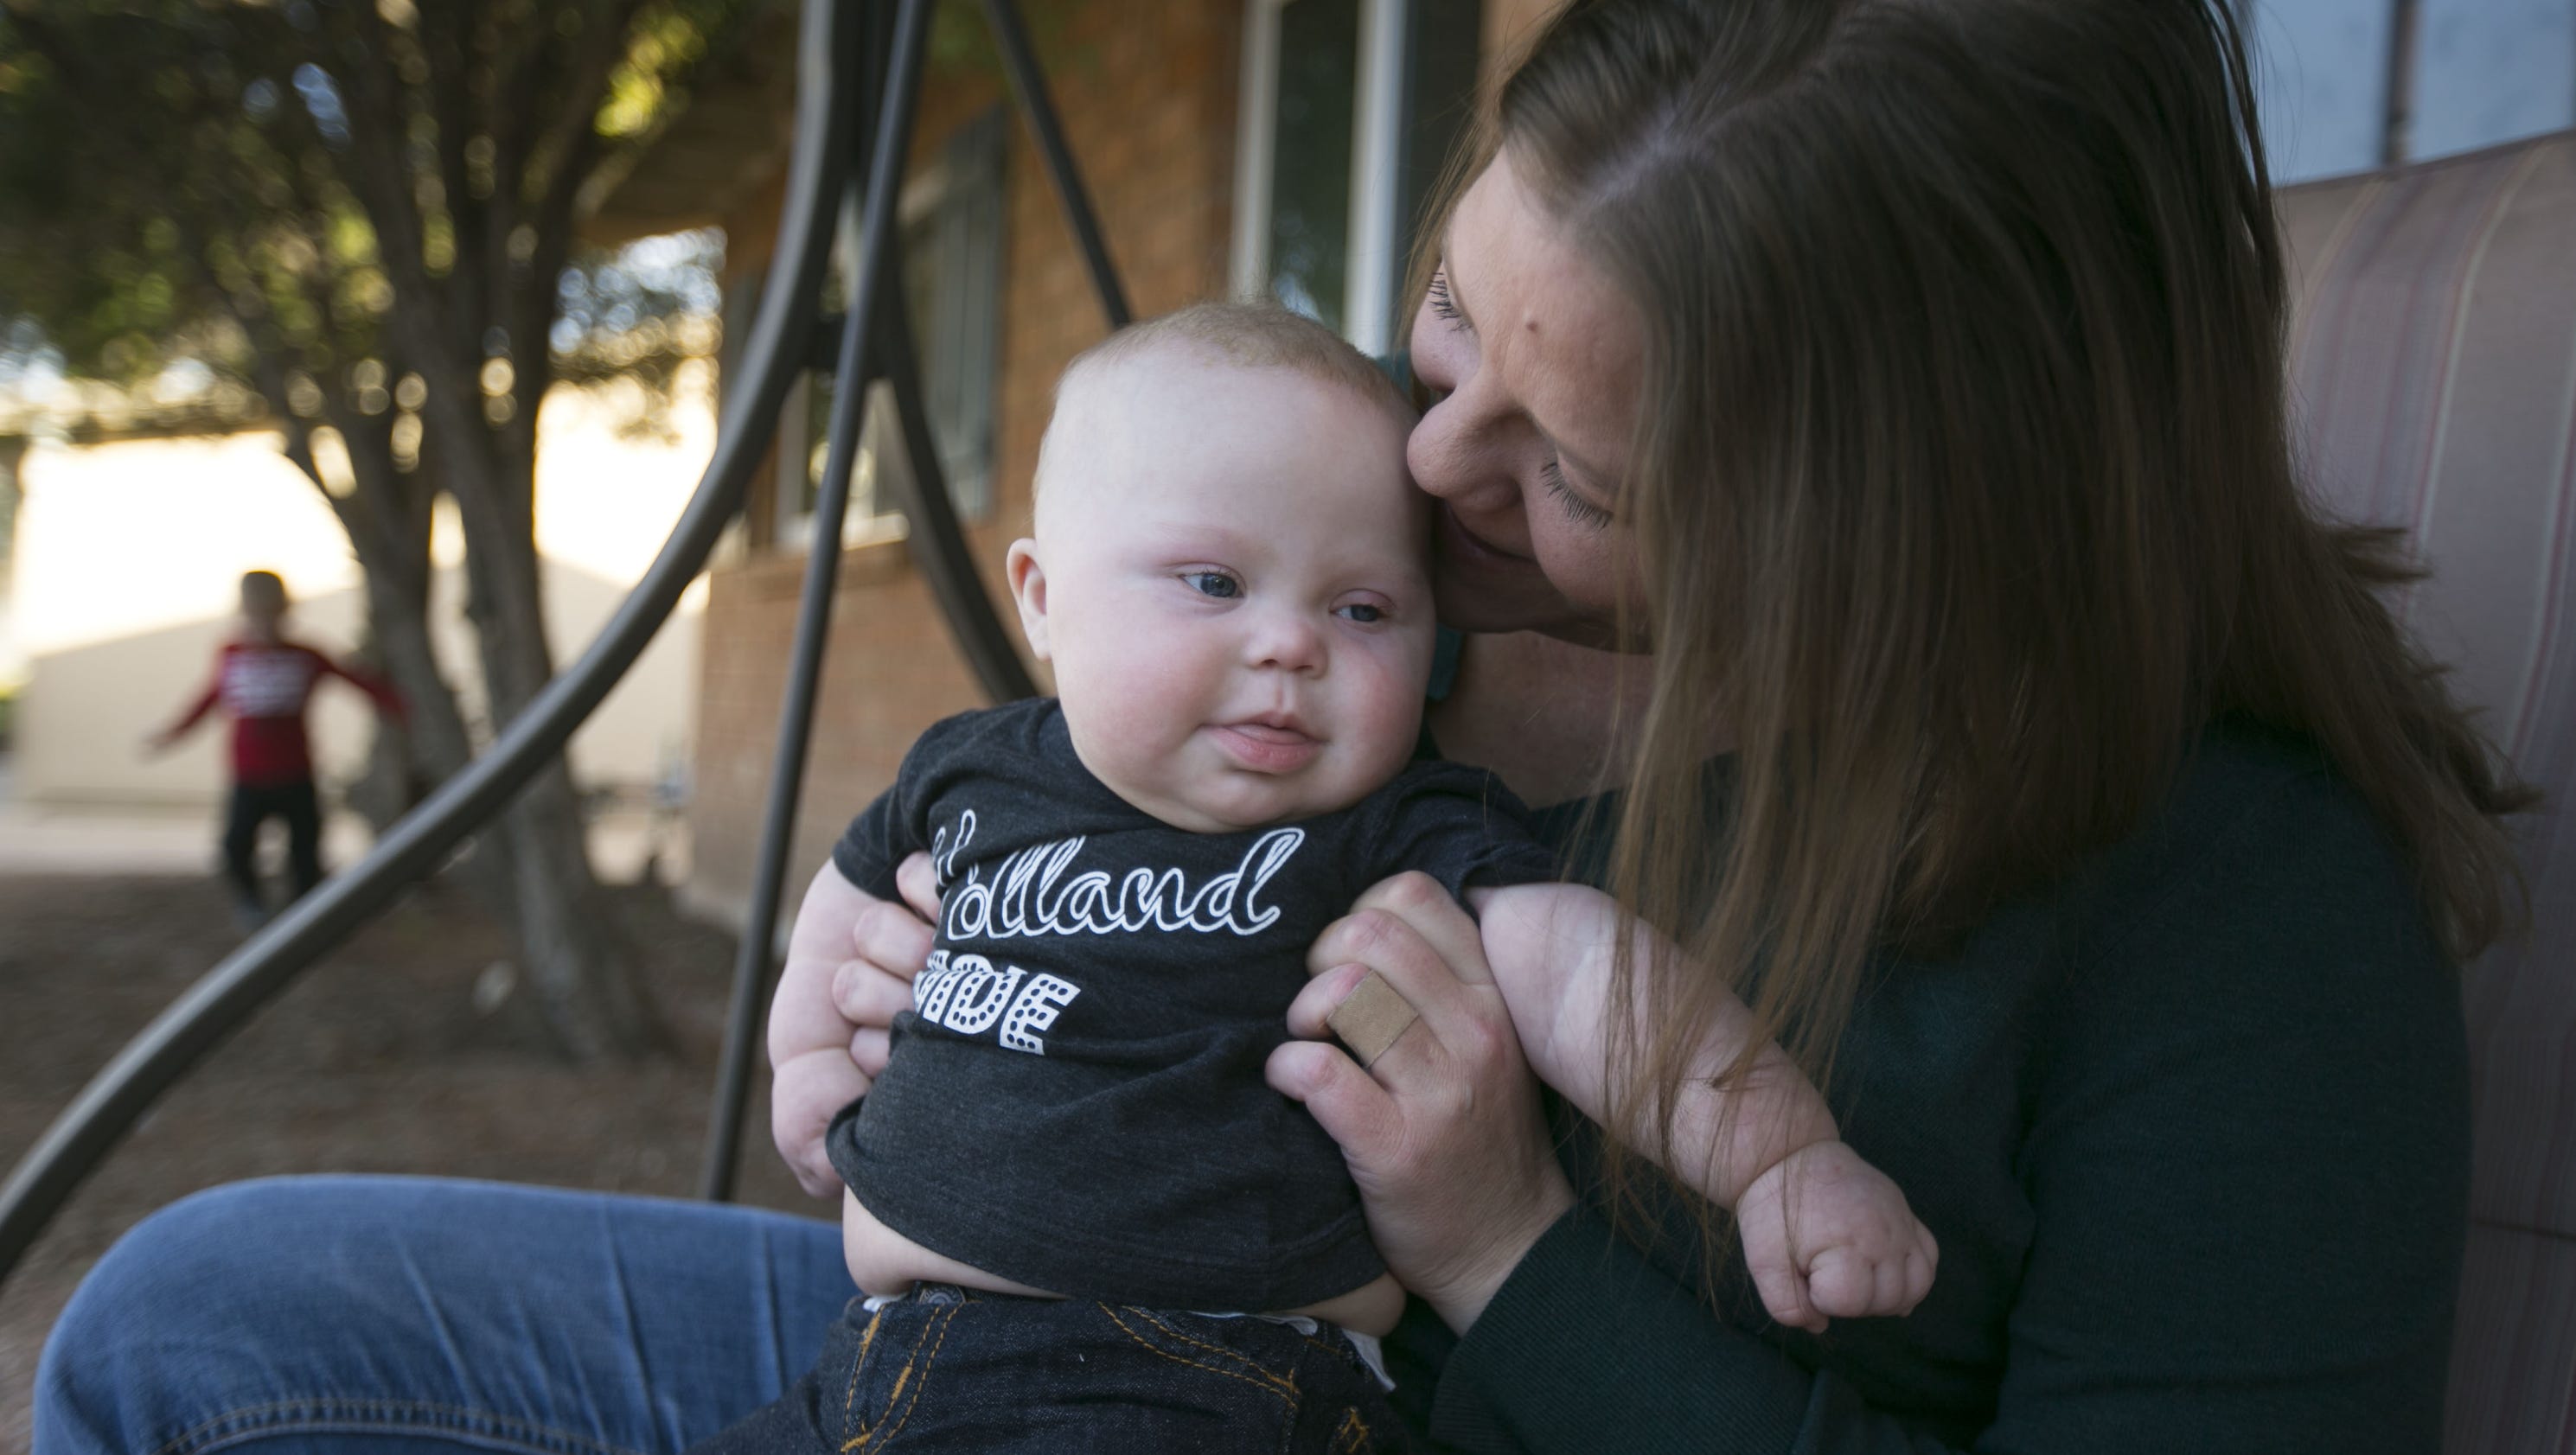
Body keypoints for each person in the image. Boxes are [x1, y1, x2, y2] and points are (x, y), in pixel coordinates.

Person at [34, 2, 2527, 1452]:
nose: (1433, 484)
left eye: (1574, 472)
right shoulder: (1425, 633)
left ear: (1875, 528)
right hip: (997, 1344)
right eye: (1450, 328)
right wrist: (867, 954)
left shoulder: (2243, 946)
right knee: (201, 1322)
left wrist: (1508, 1247)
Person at [706, 302, 1930, 1455]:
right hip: (875, 1362)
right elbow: (836, 906)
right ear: (1041, 598)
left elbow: (1592, 976)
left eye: (1360, 607)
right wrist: (811, 1056)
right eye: (1212, 583)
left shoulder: (1393, 830)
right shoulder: (967, 769)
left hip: (1201, 1377)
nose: (1289, 643)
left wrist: (1775, 1155)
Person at [144, 569, 405, 928]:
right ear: (243, 611)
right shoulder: (231, 654)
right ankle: (252, 907)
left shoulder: (306, 656)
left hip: (296, 774)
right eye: (255, 612)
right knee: (235, 848)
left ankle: (303, 920)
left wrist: (407, 709)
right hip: (248, 778)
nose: (264, 620)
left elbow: (358, 681)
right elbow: (206, 700)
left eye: (272, 611)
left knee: (305, 854)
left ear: (286, 611)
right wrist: (169, 736)